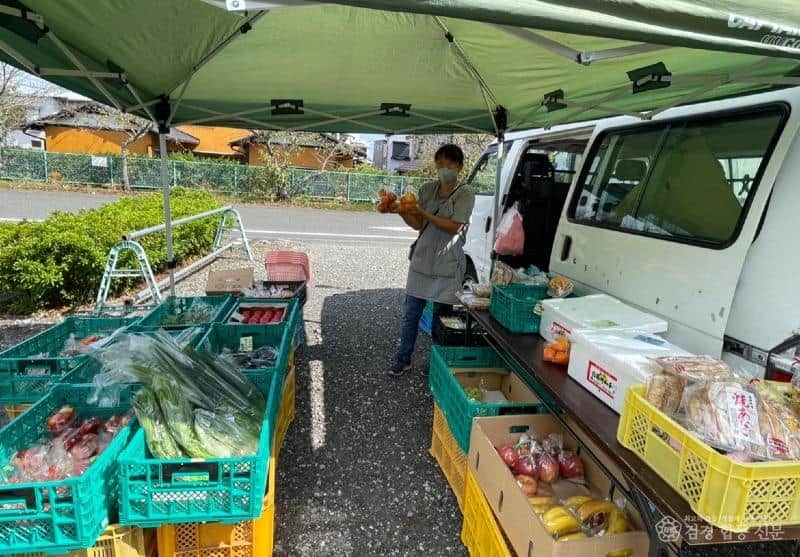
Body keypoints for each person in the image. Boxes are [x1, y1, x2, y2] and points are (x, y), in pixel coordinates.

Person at [388, 144, 475, 376]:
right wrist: (402, 212)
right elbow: (419, 225)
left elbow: (456, 227)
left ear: (459, 166)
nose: (444, 169)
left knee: (441, 318)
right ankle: (403, 358)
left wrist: (423, 212)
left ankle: (435, 361)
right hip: (422, 260)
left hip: (447, 263)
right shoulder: (427, 189)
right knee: (411, 314)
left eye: (450, 164)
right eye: (440, 164)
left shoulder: (465, 193)